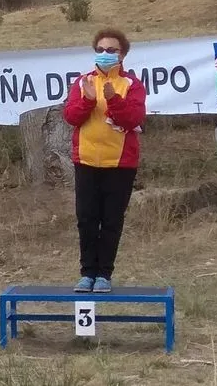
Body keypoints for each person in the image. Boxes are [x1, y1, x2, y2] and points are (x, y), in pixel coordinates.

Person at [63, 28, 146, 293]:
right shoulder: (83, 82)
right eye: (100, 50)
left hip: (120, 164)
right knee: (86, 219)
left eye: (111, 50)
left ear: (123, 55)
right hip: (86, 161)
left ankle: (104, 275)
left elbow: (133, 118)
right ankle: (87, 273)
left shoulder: (132, 85)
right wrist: (88, 100)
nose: (105, 54)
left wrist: (113, 100)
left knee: (111, 221)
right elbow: (71, 117)